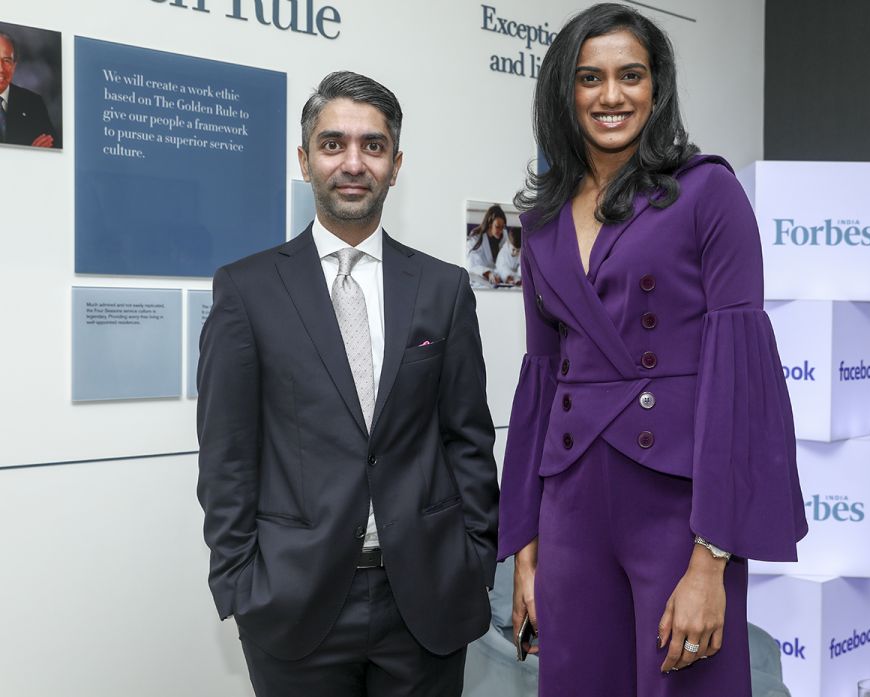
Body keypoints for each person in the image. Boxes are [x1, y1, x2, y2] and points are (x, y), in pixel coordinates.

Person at [498, 5, 807, 697]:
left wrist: (712, 560)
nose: (611, 96)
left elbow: (741, 377)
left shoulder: (709, 192)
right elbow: (543, 381)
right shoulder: (540, 222)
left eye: (630, 75)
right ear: (564, 91)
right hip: (570, 503)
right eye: (590, 78)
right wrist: (525, 548)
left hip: (679, 506)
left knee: (685, 686)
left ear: (656, 86)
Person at [197, 71, 499, 697]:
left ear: (395, 164)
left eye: (373, 145)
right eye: (333, 144)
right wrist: (240, 582)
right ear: (304, 161)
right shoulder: (246, 291)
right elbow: (226, 456)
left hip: (426, 597)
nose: (353, 162)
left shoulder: (442, 289)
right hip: (293, 602)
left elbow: (466, 436)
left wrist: (473, 558)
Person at [0, 32, 57, 148]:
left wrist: (32, 155)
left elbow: (53, 146)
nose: (1, 68)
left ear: (14, 66)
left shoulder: (33, 103)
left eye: (6, 61)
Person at [466, 203, 507, 285]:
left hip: (498, 280)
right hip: (480, 279)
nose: (501, 230)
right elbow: (472, 265)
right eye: (497, 226)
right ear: (490, 223)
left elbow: (506, 261)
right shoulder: (475, 239)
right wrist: (488, 273)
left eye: (503, 227)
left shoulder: (504, 236)